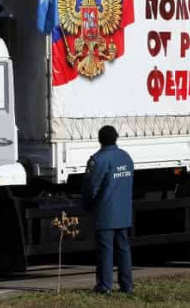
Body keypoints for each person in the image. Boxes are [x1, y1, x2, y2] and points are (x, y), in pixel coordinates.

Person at [82, 125, 135, 295]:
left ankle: (105, 286)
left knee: (105, 250)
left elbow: (91, 187)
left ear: (100, 139)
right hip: (123, 211)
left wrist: (87, 204)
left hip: (105, 212)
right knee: (123, 249)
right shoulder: (126, 157)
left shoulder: (98, 160)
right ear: (116, 137)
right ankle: (127, 285)